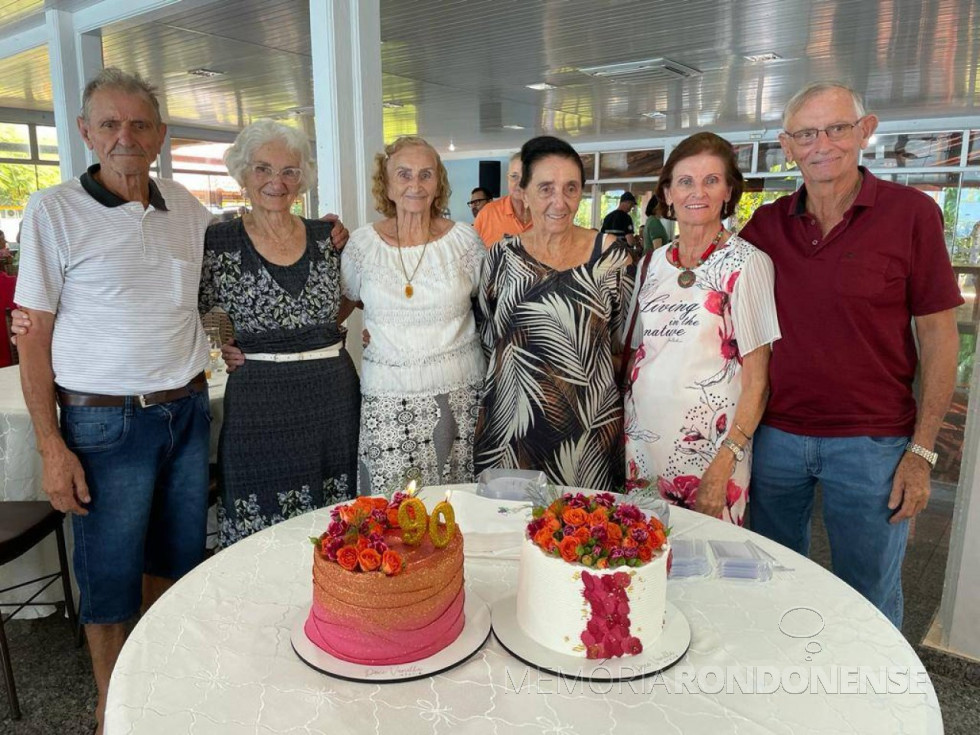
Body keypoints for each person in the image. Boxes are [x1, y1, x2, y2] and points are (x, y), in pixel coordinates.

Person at [13, 68, 213, 735]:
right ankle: (112, 708)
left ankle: (154, 682)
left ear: (159, 134)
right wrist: (51, 445)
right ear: (85, 131)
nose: (125, 137)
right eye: (110, 124)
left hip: (185, 411)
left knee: (175, 559)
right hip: (104, 421)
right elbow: (32, 336)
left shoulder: (187, 208)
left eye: (139, 124)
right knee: (110, 572)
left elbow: (223, 283)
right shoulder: (53, 211)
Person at [740, 82, 961, 628]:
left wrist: (923, 452)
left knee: (869, 601)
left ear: (866, 130)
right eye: (806, 134)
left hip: (873, 444)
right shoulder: (767, 225)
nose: (823, 144)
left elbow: (939, 337)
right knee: (770, 583)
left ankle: (880, 707)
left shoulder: (911, 215)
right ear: (788, 147)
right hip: (776, 441)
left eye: (837, 128)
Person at [198, 119, 360, 547]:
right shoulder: (218, 242)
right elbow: (189, 310)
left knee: (336, 521)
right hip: (259, 399)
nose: (277, 181)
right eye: (263, 169)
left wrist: (325, 327)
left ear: (302, 178)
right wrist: (219, 345)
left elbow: (353, 295)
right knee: (260, 528)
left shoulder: (329, 237)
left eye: (289, 171)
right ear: (242, 173)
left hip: (332, 396)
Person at [623, 133, 780, 525]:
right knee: (645, 556)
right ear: (668, 193)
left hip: (714, 452)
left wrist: (725, 463)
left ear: (729, 191)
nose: (699, 192)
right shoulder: (652, 263)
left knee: (710, 566)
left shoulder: (748, 264)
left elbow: (758, 383)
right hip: (644, 444)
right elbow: (640, 353)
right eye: (686, 181)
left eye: (712, 180)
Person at [475, 135, 633, 491]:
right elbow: (489, 335)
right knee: (506, 537)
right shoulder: (501, 256)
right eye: (545, 188)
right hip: (510, 428)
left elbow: (620, 341)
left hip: (586, 432)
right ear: (524, 193)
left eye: (570, 188)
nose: (559, 202)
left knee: (585, 538)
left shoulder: (611, 256)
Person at [344, 136, 484, 494]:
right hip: (387, 397)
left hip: (459, 394)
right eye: (404, 174)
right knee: (391, 508)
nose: (415, 185)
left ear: (438, 184)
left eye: (426, 174)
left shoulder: (465, 242)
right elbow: (347, 302)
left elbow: (488, 307)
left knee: (454, 505)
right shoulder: (361, 246)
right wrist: (384, 324)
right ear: (386, 184)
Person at [473, 152, 532, 247]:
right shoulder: (487, 214)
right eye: (514, 176)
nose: (520, 183)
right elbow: (472, 257)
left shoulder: (548, 215)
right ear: (507, 177)